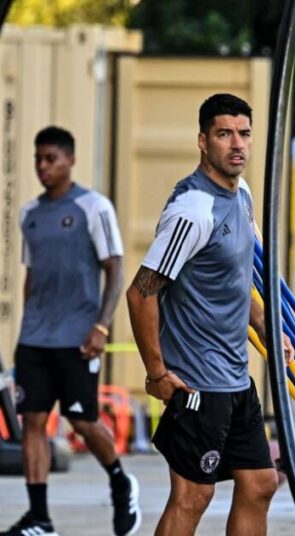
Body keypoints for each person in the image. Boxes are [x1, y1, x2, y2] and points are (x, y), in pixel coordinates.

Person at [125, 93, 292, 536]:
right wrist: (157, 372)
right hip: (197, 383)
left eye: (244, 134)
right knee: (193, 496)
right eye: (224, 134)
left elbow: (235, 280)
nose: (236, 144)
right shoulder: (192, 210)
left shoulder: (242, 197)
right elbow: (141, 293)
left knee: (260, 484)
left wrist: (264, 326)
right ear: (203, 141)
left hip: (235, 379)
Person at [2, 126, 140, 536]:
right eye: (38, 159)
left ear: (70, 160)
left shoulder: (94, 207)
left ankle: (119, 479)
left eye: (50, 159)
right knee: (32, 424)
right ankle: (40, 518)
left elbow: (114, 269)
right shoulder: (29, 214)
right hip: (35, 340)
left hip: (79, 338)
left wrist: (101, 325)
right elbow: (32, 276)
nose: (42, 167)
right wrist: (27, 328)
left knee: (81, 421)